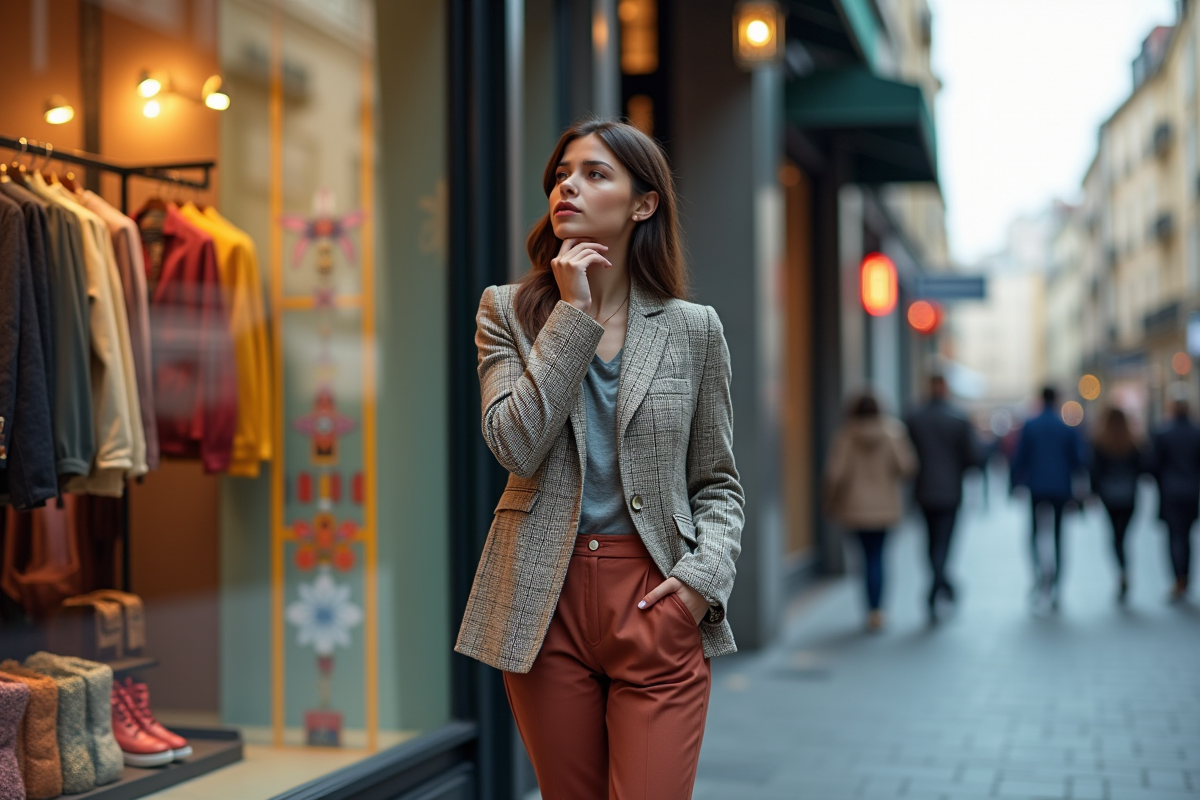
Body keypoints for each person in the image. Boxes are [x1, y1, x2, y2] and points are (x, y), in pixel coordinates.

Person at [454, 119, 745, 800]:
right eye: (561, 174)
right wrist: (574, 316)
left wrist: (702, 580)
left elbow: (719, 483)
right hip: (541, 598)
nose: (569, 187)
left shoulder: (692, 328)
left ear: (643, 204)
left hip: (654, 593)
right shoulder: (506, 312)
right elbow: (514, 444)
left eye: (594, 174)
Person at [824, 392, 918, 631]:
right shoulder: (893, 432)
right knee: (879, 558)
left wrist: (830, 502)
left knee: (864, 560)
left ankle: (869, 609)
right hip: (885, 507)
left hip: (855, 509)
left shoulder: (845, 435)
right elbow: (907, 468)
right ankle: (877, 611)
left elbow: (835, 475)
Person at [905, 374, 980, 622]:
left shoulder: (915, 418)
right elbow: (972, 458)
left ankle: (938, 586)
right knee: (944, 543)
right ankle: (940, 587)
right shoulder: (958, 419)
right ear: (945, 389)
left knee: (930, 542)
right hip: (950, 492)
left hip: (923, 490)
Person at [1011, 386, 1086, 611]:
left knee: (1034, 534)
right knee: (1059, 536)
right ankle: (1056, 585)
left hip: (1037, 487)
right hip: (1061, 488)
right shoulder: (1066, 428)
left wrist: (1014, 484)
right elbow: (1079, 461)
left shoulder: (1031, 426)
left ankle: (1039, 574)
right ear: (1057, 399)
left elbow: (1019, 457)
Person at [1088, 407, 1147, 603]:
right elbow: (1143, 468)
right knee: (1123, 536)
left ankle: (1122, 571)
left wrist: (1093, 492)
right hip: (1129, 495)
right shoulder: (1132, 442)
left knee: (1115, 536)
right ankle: (1124, 570)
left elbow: (1094, 471)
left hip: (1109, 496)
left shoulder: (1100, 443)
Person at [1150, 391, 1200, 603]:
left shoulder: (1163, 433)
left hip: (1170, 491)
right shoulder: (1196, 433)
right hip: (1191, 491)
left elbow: (1153, 465)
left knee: (1174, 537)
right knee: (1186, 536)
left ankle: (1179, 580)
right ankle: (1185, 579)